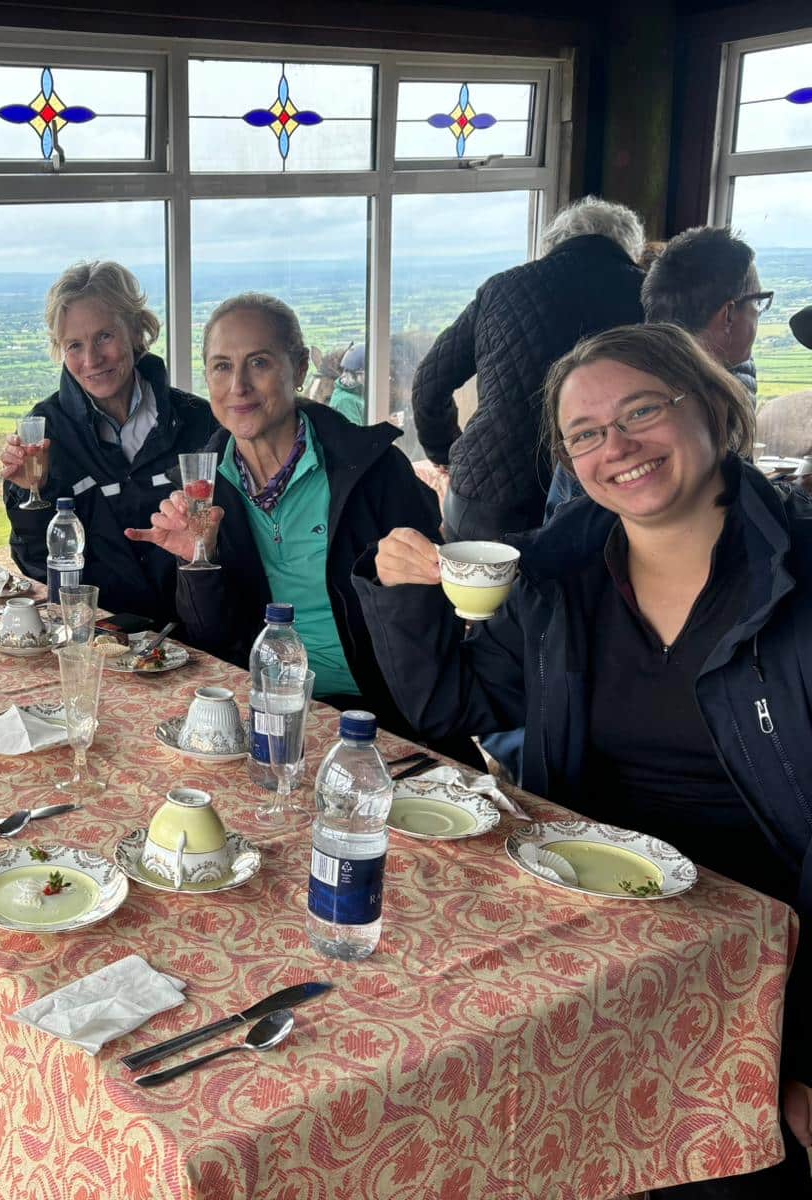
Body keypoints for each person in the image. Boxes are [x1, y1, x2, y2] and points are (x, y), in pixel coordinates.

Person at [354, 323, 811, 1198]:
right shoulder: (561, 577)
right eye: (587, 434)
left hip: (759, 961)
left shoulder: (798, 576)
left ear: (715, 407)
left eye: (643, 410)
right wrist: (408, 599)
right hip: (589, 935)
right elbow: (459, 710)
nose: (619, 448)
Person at [123, 293, 475, 764]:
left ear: (301, 366)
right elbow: (216, 646)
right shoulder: (204, 490)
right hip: (265, 717)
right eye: (222, 367)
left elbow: (436, 622)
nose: (239, 386)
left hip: (384, 721)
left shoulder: (373, 472)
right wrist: (199, 561)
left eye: (260, 363)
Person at [411, 196, 646, 541]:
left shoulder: (501, 288)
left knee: (479, 594)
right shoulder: (647, 294)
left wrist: (446, 453)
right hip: (604, 495)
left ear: (554, 243)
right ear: (629, 248)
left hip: (489, 496)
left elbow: (429, 386)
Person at [0, 261, 218, 623]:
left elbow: (229, 548)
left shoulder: (200, 422)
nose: (91, 360)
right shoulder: (44, 431)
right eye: (74, 345)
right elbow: (37, 567)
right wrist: (30, 496)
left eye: (104, 336)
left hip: (194, 638)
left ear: (135, 330)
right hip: (95, 635)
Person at [545, 226, 772, 520]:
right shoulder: (716, 391)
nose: (616, 449)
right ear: (728, 313)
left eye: (642, 412)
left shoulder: (597, 384)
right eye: (644, 411)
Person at [642, 225, 769, 403]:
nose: (759, 313)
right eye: (757, 302)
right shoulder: (709, 411)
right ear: (729, 315)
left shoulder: (633, 374)